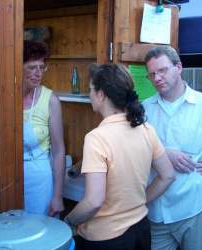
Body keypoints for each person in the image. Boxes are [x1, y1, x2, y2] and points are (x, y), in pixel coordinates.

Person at [64, 63, 175, 250]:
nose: (89, 94)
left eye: (90, 90)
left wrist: (68, 220)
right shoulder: (146, 129)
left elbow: (93, 201)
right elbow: (168, 175)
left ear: (101, 95)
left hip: (106, 239)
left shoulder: (96, 138)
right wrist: (138, 203)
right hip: (140, 229)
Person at [143, 46, 202, 250]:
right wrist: (163, 153)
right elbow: (133, 150)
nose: (156, 78)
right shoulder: (144, 109)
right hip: (157, 211)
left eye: (162, 70)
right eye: (151, 74)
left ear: (179, 67)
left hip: (196, 207)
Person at [23, 40, 65, 216]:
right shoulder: (4, 97)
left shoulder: (50, 100)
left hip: (40, 180)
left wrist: (57, 196)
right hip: (8, 180)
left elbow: (58, 151)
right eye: (32, 67)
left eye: (42, 67)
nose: (38, 73)